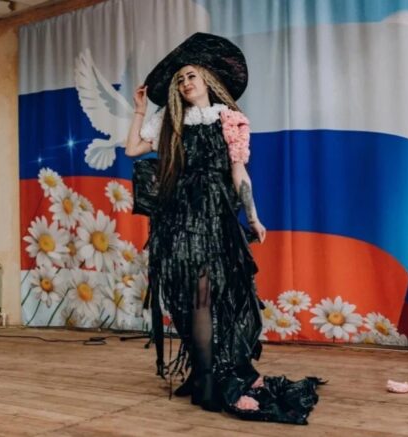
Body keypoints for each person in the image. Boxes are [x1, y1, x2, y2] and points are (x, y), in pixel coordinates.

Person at [125, 33, 322, 424]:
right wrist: (139, 110)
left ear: (208, 79)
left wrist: (253, 217)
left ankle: (214, 377)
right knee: (189, 296)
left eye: (191, 76)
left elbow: (239, 174)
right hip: (179, 217)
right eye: (180, 80)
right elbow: (132, 150)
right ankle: (204, 373)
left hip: (215, 216)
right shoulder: (169, 121)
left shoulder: (230, 119)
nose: (185, 83)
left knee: (212, 294)